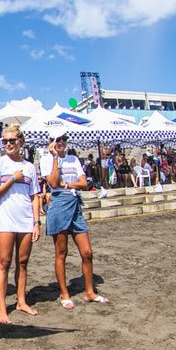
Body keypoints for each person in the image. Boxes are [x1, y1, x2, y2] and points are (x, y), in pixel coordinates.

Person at [40, 129, 109, 309]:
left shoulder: (74, 159)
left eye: (63, 138)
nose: (60, 142)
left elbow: (84, 183)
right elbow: (54, 184)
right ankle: (64, 293)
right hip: (59, 203)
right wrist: (55, 158)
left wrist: (67, 184)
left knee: (87, 252)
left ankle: (89, 292)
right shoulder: (46, 160)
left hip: (74, 202)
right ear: (51, 141)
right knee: (61, 252)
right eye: (57, 139)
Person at [0, 124, 41, 324]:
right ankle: (2, 307)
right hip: (6, 220)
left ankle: (21, 301)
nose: (8, 144)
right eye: (5, 141)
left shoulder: (29, 167)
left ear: (21, 142)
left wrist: (36, 223)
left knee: (23, 262)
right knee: (4, 262)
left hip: (26, 219)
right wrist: (11, 179)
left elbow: (35, 196)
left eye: (12, 140)